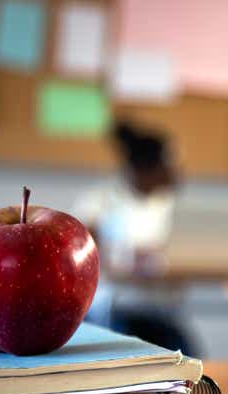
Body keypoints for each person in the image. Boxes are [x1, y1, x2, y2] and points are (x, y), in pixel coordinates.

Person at [73, 120, 195, 355]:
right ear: (146, 167)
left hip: (157, 306)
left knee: (189, 357)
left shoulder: (164, 203)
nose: (178, 173)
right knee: (134, 350)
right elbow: (86, 259)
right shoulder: (99, 201)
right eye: (171, 164)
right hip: (116, 307)